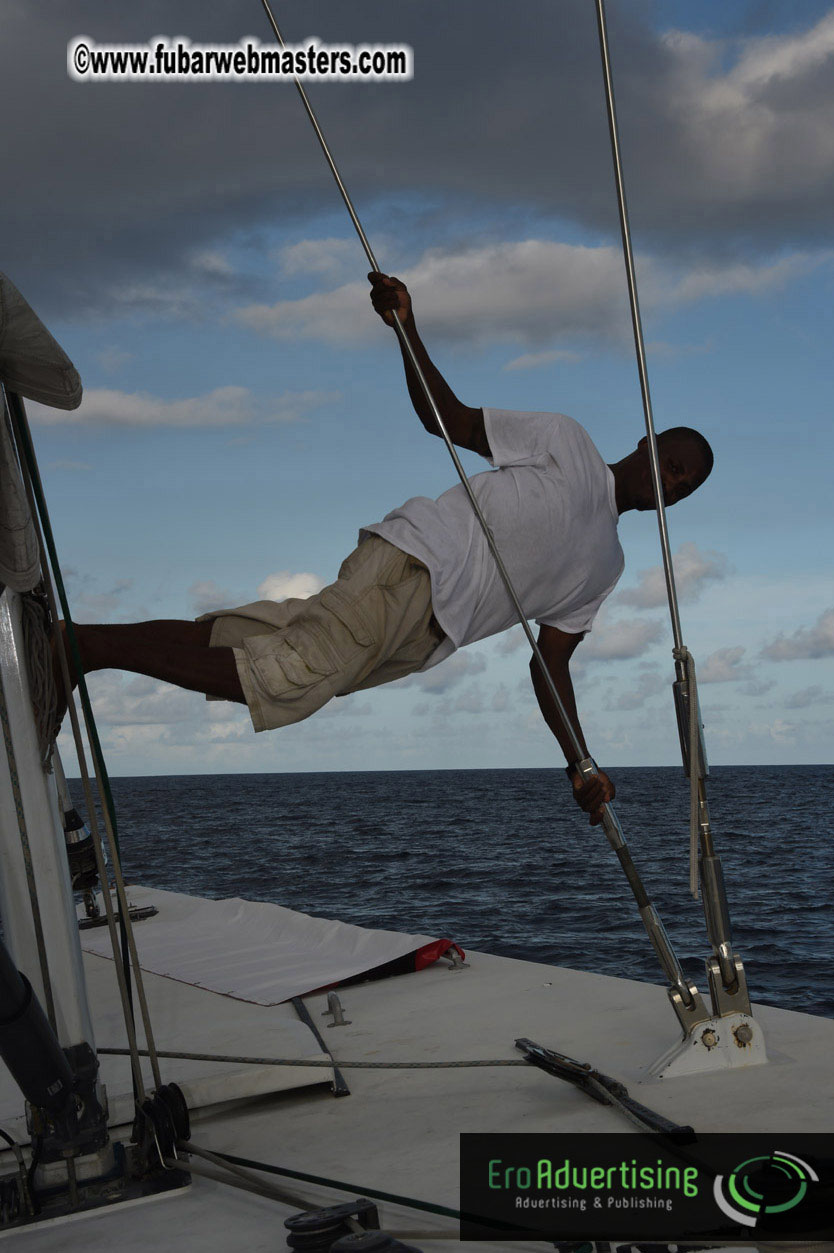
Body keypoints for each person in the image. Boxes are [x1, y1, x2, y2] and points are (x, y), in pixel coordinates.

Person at [59, 273, 713, 825]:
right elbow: (446, 419)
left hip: (425, 637)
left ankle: (81, 638)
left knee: (251, 638)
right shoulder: (565, 440)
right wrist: (407, 326)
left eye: (688, 483)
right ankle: (82, 650)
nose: (676, 481)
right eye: (676, 462)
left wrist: (580, 763)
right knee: (293, 676)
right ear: (647, 442)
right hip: (417, 566)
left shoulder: (607, 568)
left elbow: (550, 666)